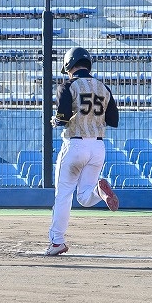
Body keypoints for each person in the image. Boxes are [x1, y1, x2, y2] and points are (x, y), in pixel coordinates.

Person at [46, 46, 119, 256]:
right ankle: (99, 191)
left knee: (63, 195)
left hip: (75, 145)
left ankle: (57, 242)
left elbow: (62, 118)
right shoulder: (103, 87)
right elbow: (113, 120)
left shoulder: (68, 85)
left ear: (70, 65)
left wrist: (55, 120)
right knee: (85, 197)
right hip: (98, 146)